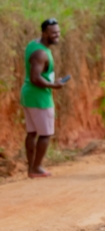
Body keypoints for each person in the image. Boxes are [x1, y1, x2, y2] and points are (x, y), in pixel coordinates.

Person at [21, 18, 68, 178]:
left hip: (28, 95)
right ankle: (36, 167)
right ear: (44, 33)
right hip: (39, 98)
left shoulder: (33, 44)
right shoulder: (41, 53)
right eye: (53, 33)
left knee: (32, 132)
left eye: (58, 32)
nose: (57, 35)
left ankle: (31, 168)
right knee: (45, 134)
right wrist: (55, 85)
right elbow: (35, 78)